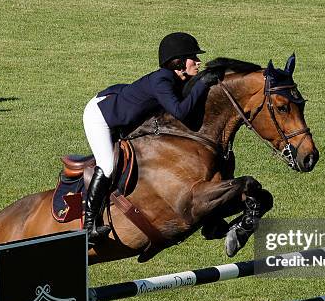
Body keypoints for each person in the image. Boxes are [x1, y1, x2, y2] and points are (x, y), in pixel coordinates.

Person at [82, 32, 221, 244]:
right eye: (193, 57)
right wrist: (202, 84)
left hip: (122, 112)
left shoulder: (175, 78)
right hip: (100, 116)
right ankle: (88, 227)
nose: (198, 61)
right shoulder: (162, 81)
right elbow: (180, 112)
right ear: (179, 62)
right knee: (107, 165)